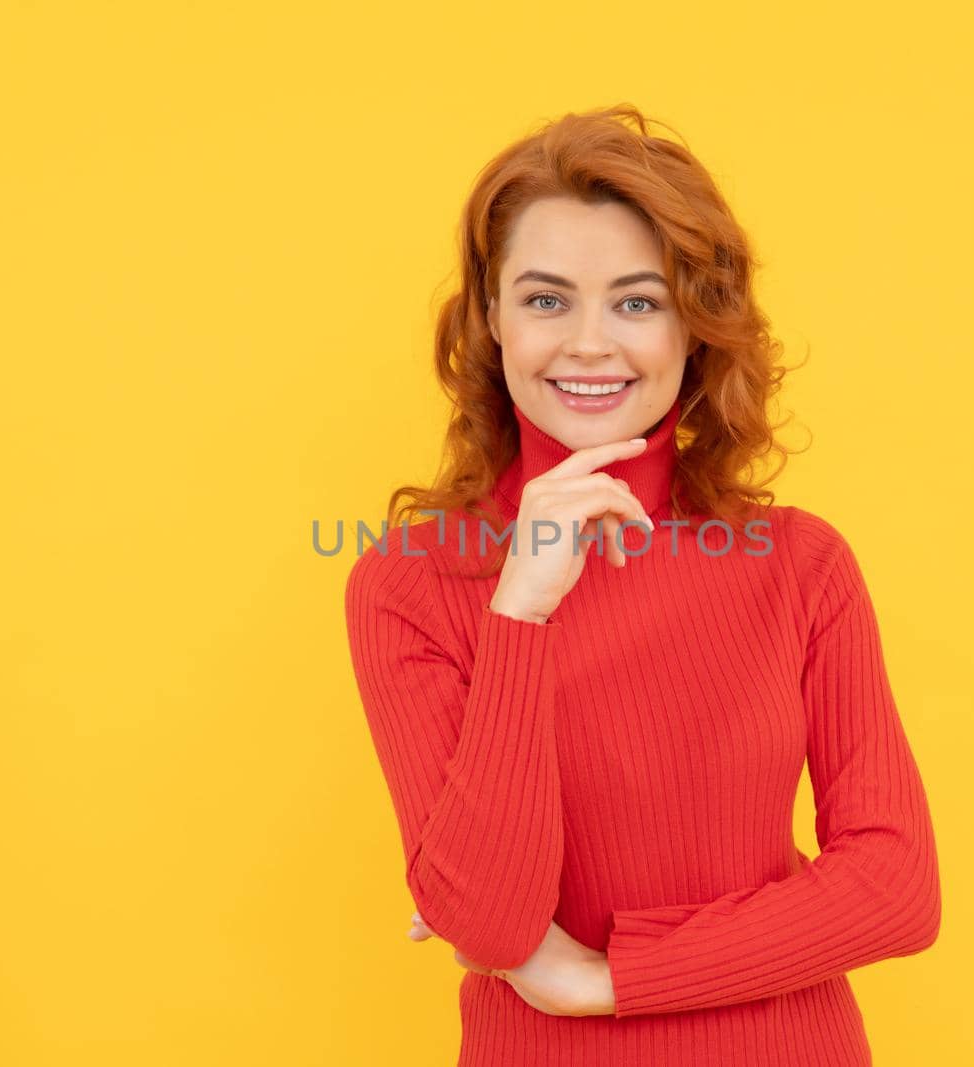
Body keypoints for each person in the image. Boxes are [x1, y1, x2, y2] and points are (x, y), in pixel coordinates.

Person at [343, 104, 940, 1066]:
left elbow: (898, 886)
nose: (589, 344)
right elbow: (494, 927)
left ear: (694, 327)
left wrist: (609, 981)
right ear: (490, 320)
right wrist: (522, 608)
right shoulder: (411, 585)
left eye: (636, 301)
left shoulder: (799, 565)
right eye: (545, 300)